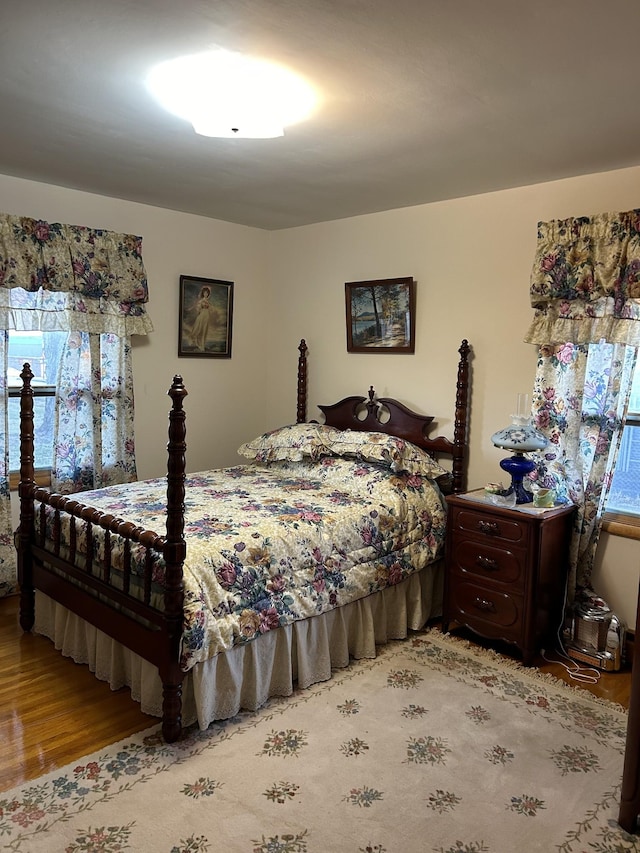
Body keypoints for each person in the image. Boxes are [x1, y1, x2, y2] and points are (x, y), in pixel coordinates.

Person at [190, 285, 212, 351]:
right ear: (203, 293)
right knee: (199, 329)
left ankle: (203, 345)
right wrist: (200, 309)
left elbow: (210, 309)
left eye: (207, 293)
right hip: (202, 314)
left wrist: (208, 307)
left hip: (207, 315)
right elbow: (198, 308)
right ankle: (198, 343)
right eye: (205, 293)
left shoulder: (208, 302)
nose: (206, 294)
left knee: (205, 330)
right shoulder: (201, 301)